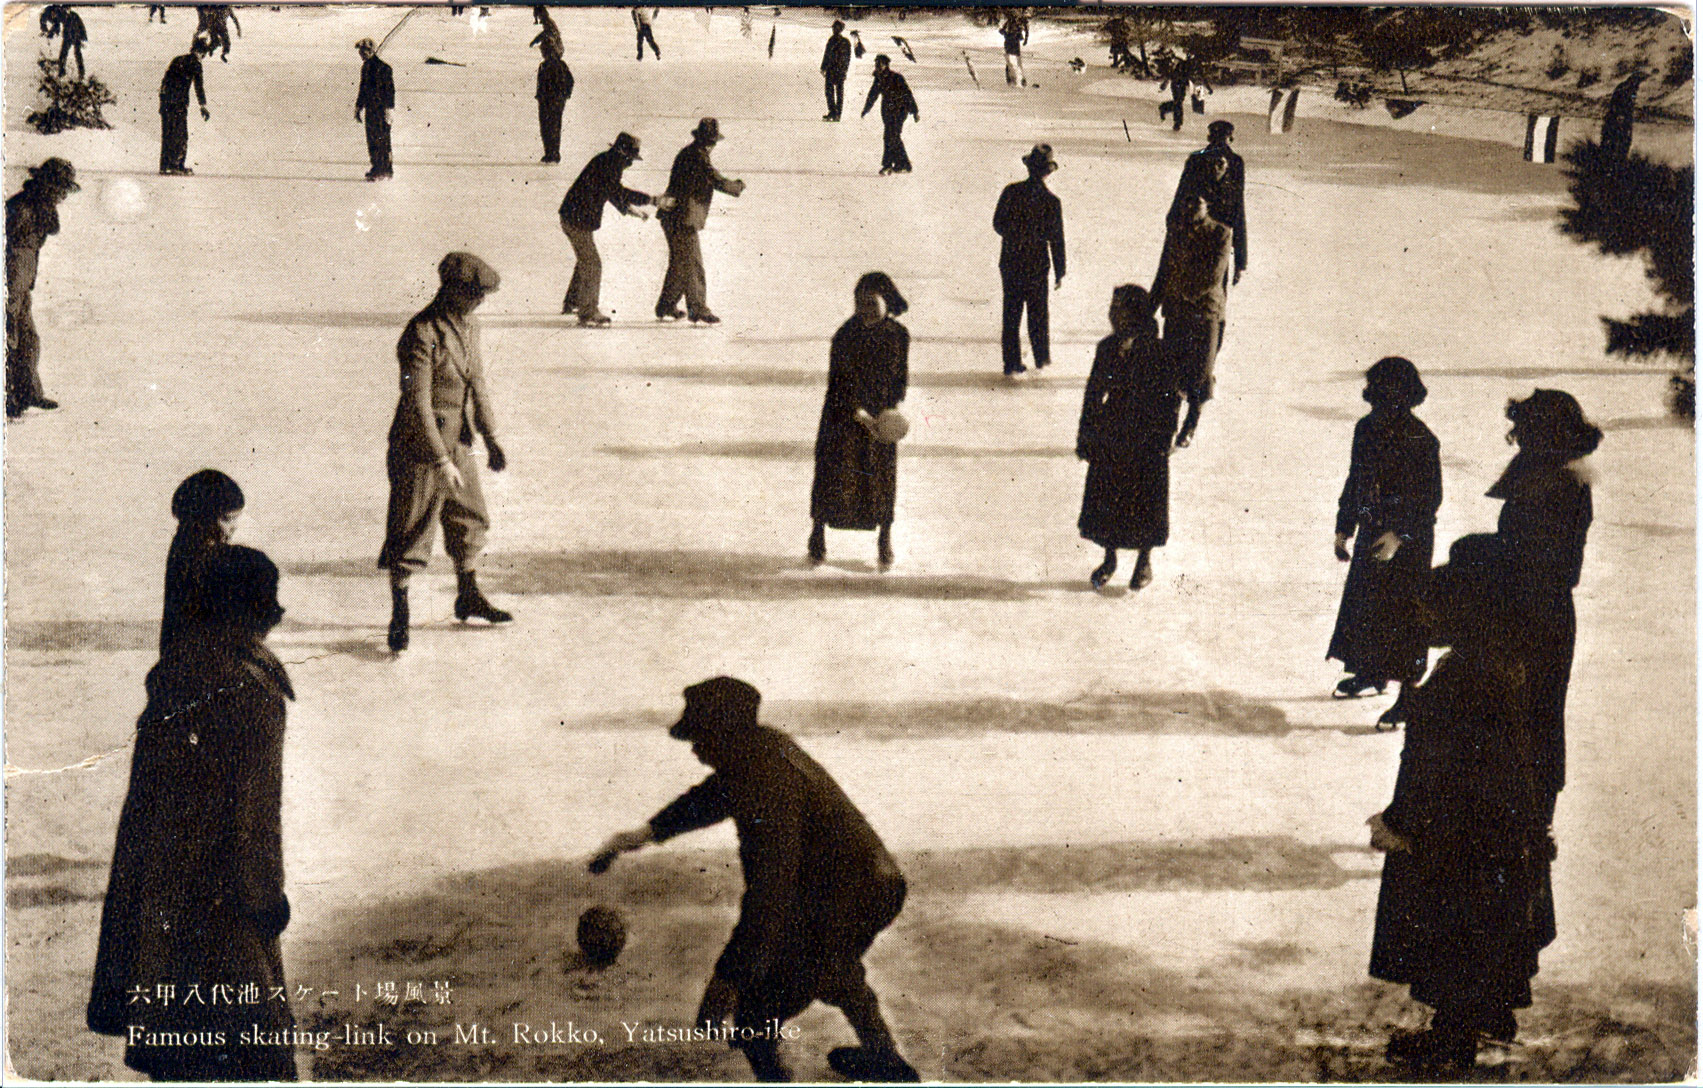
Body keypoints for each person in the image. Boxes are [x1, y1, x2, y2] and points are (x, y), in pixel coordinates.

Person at [590, 678, 920, 1084]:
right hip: (864, 883)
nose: (693, 748)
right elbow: (713, 796)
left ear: (726, 735)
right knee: (831, 966)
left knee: (757, 1008)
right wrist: (644, 834)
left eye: (700, 737)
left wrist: (727, 979)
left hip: (855, 893)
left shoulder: (766, 783)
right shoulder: (760, 751)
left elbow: (769, 897)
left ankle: (780, 1077)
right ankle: (885, 1058)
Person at [88, 545, 299, 1083]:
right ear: (258, 611)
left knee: (178, 1046)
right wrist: (265, 899)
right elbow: (255, 815)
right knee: (249, 1049)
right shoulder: (253, 690)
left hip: (163, 894)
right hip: (226, 899)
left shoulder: (177, 672)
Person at [1368, 534, 1555, 1075]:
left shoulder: (1466, 677)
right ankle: (1488, 1011)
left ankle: (1453, 1038)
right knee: (1486, 920)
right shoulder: (1499, 663)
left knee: (1454, 922)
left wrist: (1399, 821)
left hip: (1460, 835)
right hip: (1497, 829)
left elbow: (1432, 767)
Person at [378, 253, 512, 653]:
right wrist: (440, 461)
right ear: (452, 291)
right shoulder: (421, 333)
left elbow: (477, 382)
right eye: (475, 294)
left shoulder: (469, 325)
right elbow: (417, 402)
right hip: (420, 446)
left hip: (458, 439)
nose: (480, 302)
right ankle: (400, 612)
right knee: (412, 525)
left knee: (468, 515)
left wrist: (491, 437)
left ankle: (468, 595)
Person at [1488, 389, 1601, 824]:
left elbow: (1555, 564)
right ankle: (1516, 815)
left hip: (1539, 612)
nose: (1516, 437)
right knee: (1519, 713)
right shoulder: (1541, 472)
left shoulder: (1562, 483)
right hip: (1523, 606)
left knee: (1536, 715)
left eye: (1525, 430)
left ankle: (1536, 820)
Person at [1327, 357, 1441, 725]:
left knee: (1405, 616)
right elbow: (1355, 481)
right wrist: (1344, 527)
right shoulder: (1366, 429)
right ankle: (1370, 673)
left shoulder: (1422, 440)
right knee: (1367, 607)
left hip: (1409, 539)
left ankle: (1408, 696)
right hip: (1373, 529)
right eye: (1377, 396)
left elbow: (1429, 500)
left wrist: (1398, 536)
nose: (1381, 404)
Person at [1077, 285, 1178, 591]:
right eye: (1111, 307)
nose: (1112, 314)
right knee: (1109, 497)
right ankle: (1110, 558)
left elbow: (1170, 399)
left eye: (1118, 308)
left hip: (1147, 435)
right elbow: (1093, 394)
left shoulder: (1159, 352)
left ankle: (1144, 560)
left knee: (1145, 500)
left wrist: (1165, 437)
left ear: (1134, 314)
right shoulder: (1107, 348)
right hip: (1113, 432)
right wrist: (1086, 436)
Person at [808, 272, 909, 570]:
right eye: (860, 303)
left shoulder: (898, 335)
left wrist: (887, 415)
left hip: (879, 419)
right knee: (833, 476)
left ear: (886, 302)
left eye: (872, 303)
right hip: (842, 415)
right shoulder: (845, 335)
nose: (865, 310)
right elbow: (838, 382)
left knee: (880, 479)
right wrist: (857, 412)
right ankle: (817, 531)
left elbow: (899, 380)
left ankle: (884, 537)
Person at [1151, 193, 1232, 448]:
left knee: (1201, 372)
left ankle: (1191, 423)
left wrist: (1185, 293)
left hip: (1206, 313)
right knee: (1171, 371)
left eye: (1198, 202)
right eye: (1188, 202)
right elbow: (1164, 271)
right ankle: (1169, 424)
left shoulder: (1221, 233)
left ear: (1208, 205)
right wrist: (1149, 306)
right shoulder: (1176, 231)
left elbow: (1214, 275)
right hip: (1176, 312)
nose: (1193, 206)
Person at [654, 118, 745, 324]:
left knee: (680, 263)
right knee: (693, 263)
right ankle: (698, 309)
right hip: (681, 219)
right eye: (712, 142)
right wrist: (737, 187)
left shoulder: (691, 152)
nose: (713, 146)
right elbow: (717, 180)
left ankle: (666, 305)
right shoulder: (698, 157)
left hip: (673, 216)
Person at [6, 158, 77, 419]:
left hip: (22, 277)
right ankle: (9, 396)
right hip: (12, 275)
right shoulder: (24, 209)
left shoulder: (39, 206)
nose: (63, 197)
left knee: (28, 338)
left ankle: (27, 392)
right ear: (48, 186)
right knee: (9, 334)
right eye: (60, 189)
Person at [559, 133, 653, 325]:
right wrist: (651, 200)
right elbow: (617, 191)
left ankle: (573, 301)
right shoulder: (610, 164)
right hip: (576, 220)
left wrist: (631, 210)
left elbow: (610, 192)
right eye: (631, 158)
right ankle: (588, 312)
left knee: (585, 259)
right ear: (623, 152)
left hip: (574, 216)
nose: (631, 163)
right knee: (592, 264)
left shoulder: (607, 160)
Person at [992, 144, 1065, 377]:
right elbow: (1056, 239)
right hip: (1037, 264)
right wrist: (1060, 271)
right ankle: (1042, 360)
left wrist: (1015, 235)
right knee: (1038, 314)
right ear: (1048, 172)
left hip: (1011, 261)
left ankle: (1011, 362)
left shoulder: (1011, 192)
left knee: (1011, 314)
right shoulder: (1051, 202)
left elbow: (997, 223)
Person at [160, 470, 246, 653]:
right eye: (227, 519)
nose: (234, 527)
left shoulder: (184, 544)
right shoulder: (200, 556)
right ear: (202, 518)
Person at [1167, 120, 1246, 285]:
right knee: (1214, 291)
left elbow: (1180, 199)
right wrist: (1240, 259)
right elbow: (1238, 210)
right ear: (1230, 138)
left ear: (1209, 137)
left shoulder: (1196, 159)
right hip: (1220, 242)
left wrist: (1173, 235)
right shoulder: (1235, 162)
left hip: (1193, 235)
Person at [159, 37, 212, 176]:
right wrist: (203, 105)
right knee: (180, 135)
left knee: (168, 133)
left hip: (166, 102)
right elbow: (199, 86)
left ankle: (165, 166)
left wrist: (164, 100)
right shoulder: (196, 64)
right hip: (179, 104)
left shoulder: (177, 60)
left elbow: (165, 81)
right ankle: (177, 165)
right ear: (201, 52)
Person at [862, 54, 919, 175]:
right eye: (876, 64)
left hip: (900, 111)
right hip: (888, 112)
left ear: (886, 65)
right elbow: (872, 95)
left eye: (880, 64)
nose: (877, 66)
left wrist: (914, 111)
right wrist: (866, 109)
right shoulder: (878, 78)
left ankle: (891, 164)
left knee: (892, 136)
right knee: (891, 137)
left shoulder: (896, 77)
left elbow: (907, 94)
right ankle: (901, 164)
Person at [355, 38, 394, 181]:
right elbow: (363, 89)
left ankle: (386, 169)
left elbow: (390, 91)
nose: (361, 54)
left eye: (364, 51)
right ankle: (376, 167)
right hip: (370, 109)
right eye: (360, 51)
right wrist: (359, 106)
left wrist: (389, 109)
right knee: (372, 140)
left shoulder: (384, 68)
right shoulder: (365, 67)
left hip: (381, 110)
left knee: (382, 139)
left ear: (371, 51)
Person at [534, 38, 573, 164]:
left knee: (550, 127)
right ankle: (550, 153)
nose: (543, 54)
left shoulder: (555, 65)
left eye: (544, 51)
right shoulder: (549, 65)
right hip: (550, 101)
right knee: (551, 127)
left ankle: (553, 153)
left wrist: (564, 95)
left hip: (552, 101)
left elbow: (569, 81)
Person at [1599, 71, 1644, 166]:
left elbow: (1631, 101)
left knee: (1623, 139)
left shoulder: (1631, 90)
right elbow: (1615, 103)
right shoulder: (1624, 89)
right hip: (1619, 119)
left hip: (1620, 119)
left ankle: (1634, 82)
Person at [1159, 52, 1209, 131]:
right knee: (1178, 102)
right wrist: (1164, 84)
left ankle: (1164, 108)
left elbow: (1201, 77)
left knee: (1179, 101)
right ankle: (1177, 122)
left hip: (1182, 84)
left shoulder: (1194, 66)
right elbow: (1172, 74)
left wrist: (1208, 88)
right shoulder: (1182, 64)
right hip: (1176, 83)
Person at [40, 5, 88, 79]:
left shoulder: (72, 16)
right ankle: (62, 73)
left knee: (76, 54)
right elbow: (56, 25)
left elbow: (81, 27)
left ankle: (81, 74)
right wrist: (50, 33)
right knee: (63, 54)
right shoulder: (60, 14)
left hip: (76, 35)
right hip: (68, 35)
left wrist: (83, 38)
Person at [820, 20, 851, 121]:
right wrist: (823, 67)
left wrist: (845, 70)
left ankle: (838, 114)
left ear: (840, 29)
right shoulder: (831, 40)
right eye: (834, 28)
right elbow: (826, 54)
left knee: (839, 92)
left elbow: (847, 58)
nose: (834, 30)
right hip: (831, 69)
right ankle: (832, 112)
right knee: (829, 91)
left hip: (840, 70)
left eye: (836, 28)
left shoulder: (845, 42)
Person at [1000, 12, 1027, 86]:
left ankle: (1012, 79)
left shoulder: (1010, 22)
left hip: (1010, 42)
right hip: (1013, 42)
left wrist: (1005, 33)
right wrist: (1025, 39)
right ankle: (1018, 79)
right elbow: (1026, 30)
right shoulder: (1018, 22)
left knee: (1010, 61)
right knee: (1016, 61)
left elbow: (1001, 31)